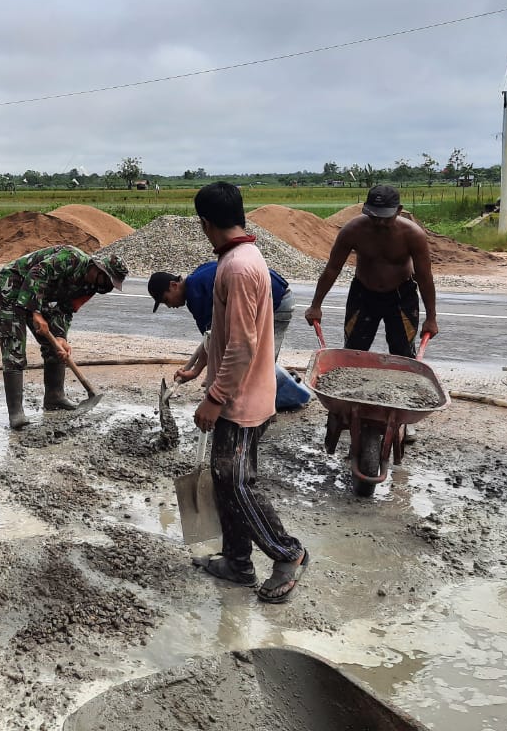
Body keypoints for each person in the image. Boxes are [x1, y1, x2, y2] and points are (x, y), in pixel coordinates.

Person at [189, 181, 309, 604]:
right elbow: (224, 335)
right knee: (226, 482)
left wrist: (215, 397)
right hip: (242, 393)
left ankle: (287, 553)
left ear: (205, 223)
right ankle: (238, 563)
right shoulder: (241, 259)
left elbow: (242, 346)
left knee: (237, 483)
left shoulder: (238, 268)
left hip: (241, 401)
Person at [0, 245, 129, 429]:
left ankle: (54, 396)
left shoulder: (91, 287)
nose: (107, 287)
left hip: (37, 294)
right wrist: (36, 313)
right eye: (108, 281)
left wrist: (60, 337)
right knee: (14, 345)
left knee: (55, 347)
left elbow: (66, 310)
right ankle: (16, 412)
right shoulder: (71, 258)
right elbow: (37, 273)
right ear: (99, 270)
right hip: (11, 284)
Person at [149, 262, 310, 408]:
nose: (169, 306)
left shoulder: (196, 294)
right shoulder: (196, 280)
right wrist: (203, 372)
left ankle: (267, 409)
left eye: (166, 300)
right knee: (251, 361)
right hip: (269, 296)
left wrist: (196, 371)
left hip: (275, 302)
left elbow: (211, 339)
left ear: (174, 285)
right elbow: (211, 337)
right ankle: (259, 402)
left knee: (259, 364)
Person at [303, 184, 439, 356]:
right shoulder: (353, 231)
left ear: (399, 210)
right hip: (363, 295)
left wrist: (431, 318)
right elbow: (333, 268)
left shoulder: (412, 235)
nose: (380, 222)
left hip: (401, 296)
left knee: (403, 353)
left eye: (385, 217)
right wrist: (315, 305)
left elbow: (424, 277)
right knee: (353, 351)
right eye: (374, 217)